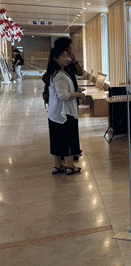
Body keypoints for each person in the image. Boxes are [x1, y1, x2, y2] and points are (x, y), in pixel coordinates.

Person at [45, 46, 85, 175]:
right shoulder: (60, 75)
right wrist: (78, 94)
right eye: (63, 56)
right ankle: (69, 166)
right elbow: (63, 96)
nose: (66, 58)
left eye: (66, 55)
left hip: (54, 113)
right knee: (67, 139)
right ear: (55, 59)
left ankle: (57, 165)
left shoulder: (54, 73)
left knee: (56, 140)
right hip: (64, 114)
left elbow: (80, 72)